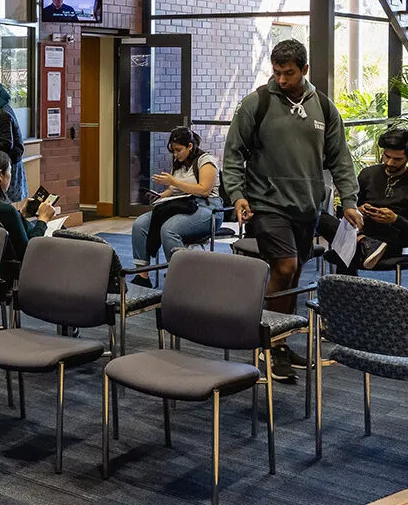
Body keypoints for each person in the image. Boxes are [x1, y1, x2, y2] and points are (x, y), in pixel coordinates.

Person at [223, 40, 359, 382]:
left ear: (304, 70)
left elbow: (340, 158)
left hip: (307, 205)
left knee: (294, 275)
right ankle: (266, 344)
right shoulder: (258, 102)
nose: (282, 80)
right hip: (267, 204)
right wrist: (237, 194)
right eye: (277, 72)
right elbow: (233, 153)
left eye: (289, 73)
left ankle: (280, 344)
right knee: (284, 266)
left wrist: (350, 201)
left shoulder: (324, 108)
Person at [315, 128, 408, 275]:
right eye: (386, 156)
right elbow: (346, 210)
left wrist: (395, 219)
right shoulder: (368, 174)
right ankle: (364, 242)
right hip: (362, 231)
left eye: (397, 160)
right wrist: (358, 209)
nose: (389, 162)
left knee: (345, 252)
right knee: (318, 216)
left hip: (390, 241)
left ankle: (347, 285)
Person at [130, 127, 221, 287]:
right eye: (173, 151)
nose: (175, 154)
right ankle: (142, 276)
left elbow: (204, 190)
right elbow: (174, 190)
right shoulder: (178, 164)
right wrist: (159, 197)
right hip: (181, 205)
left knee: (169, 229)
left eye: (178, 150)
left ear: (190, 146)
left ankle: (182, 279)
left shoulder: (206, 161)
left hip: (207, 208)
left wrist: (173, 181)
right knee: (139, 225)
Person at [0, 149, 56, 264]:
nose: (10, 177)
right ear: (0, 175)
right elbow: (28, 252)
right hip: (16, 269)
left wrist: (21, 214)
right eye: (9, 172)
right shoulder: (6, 211)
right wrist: (43, 219)